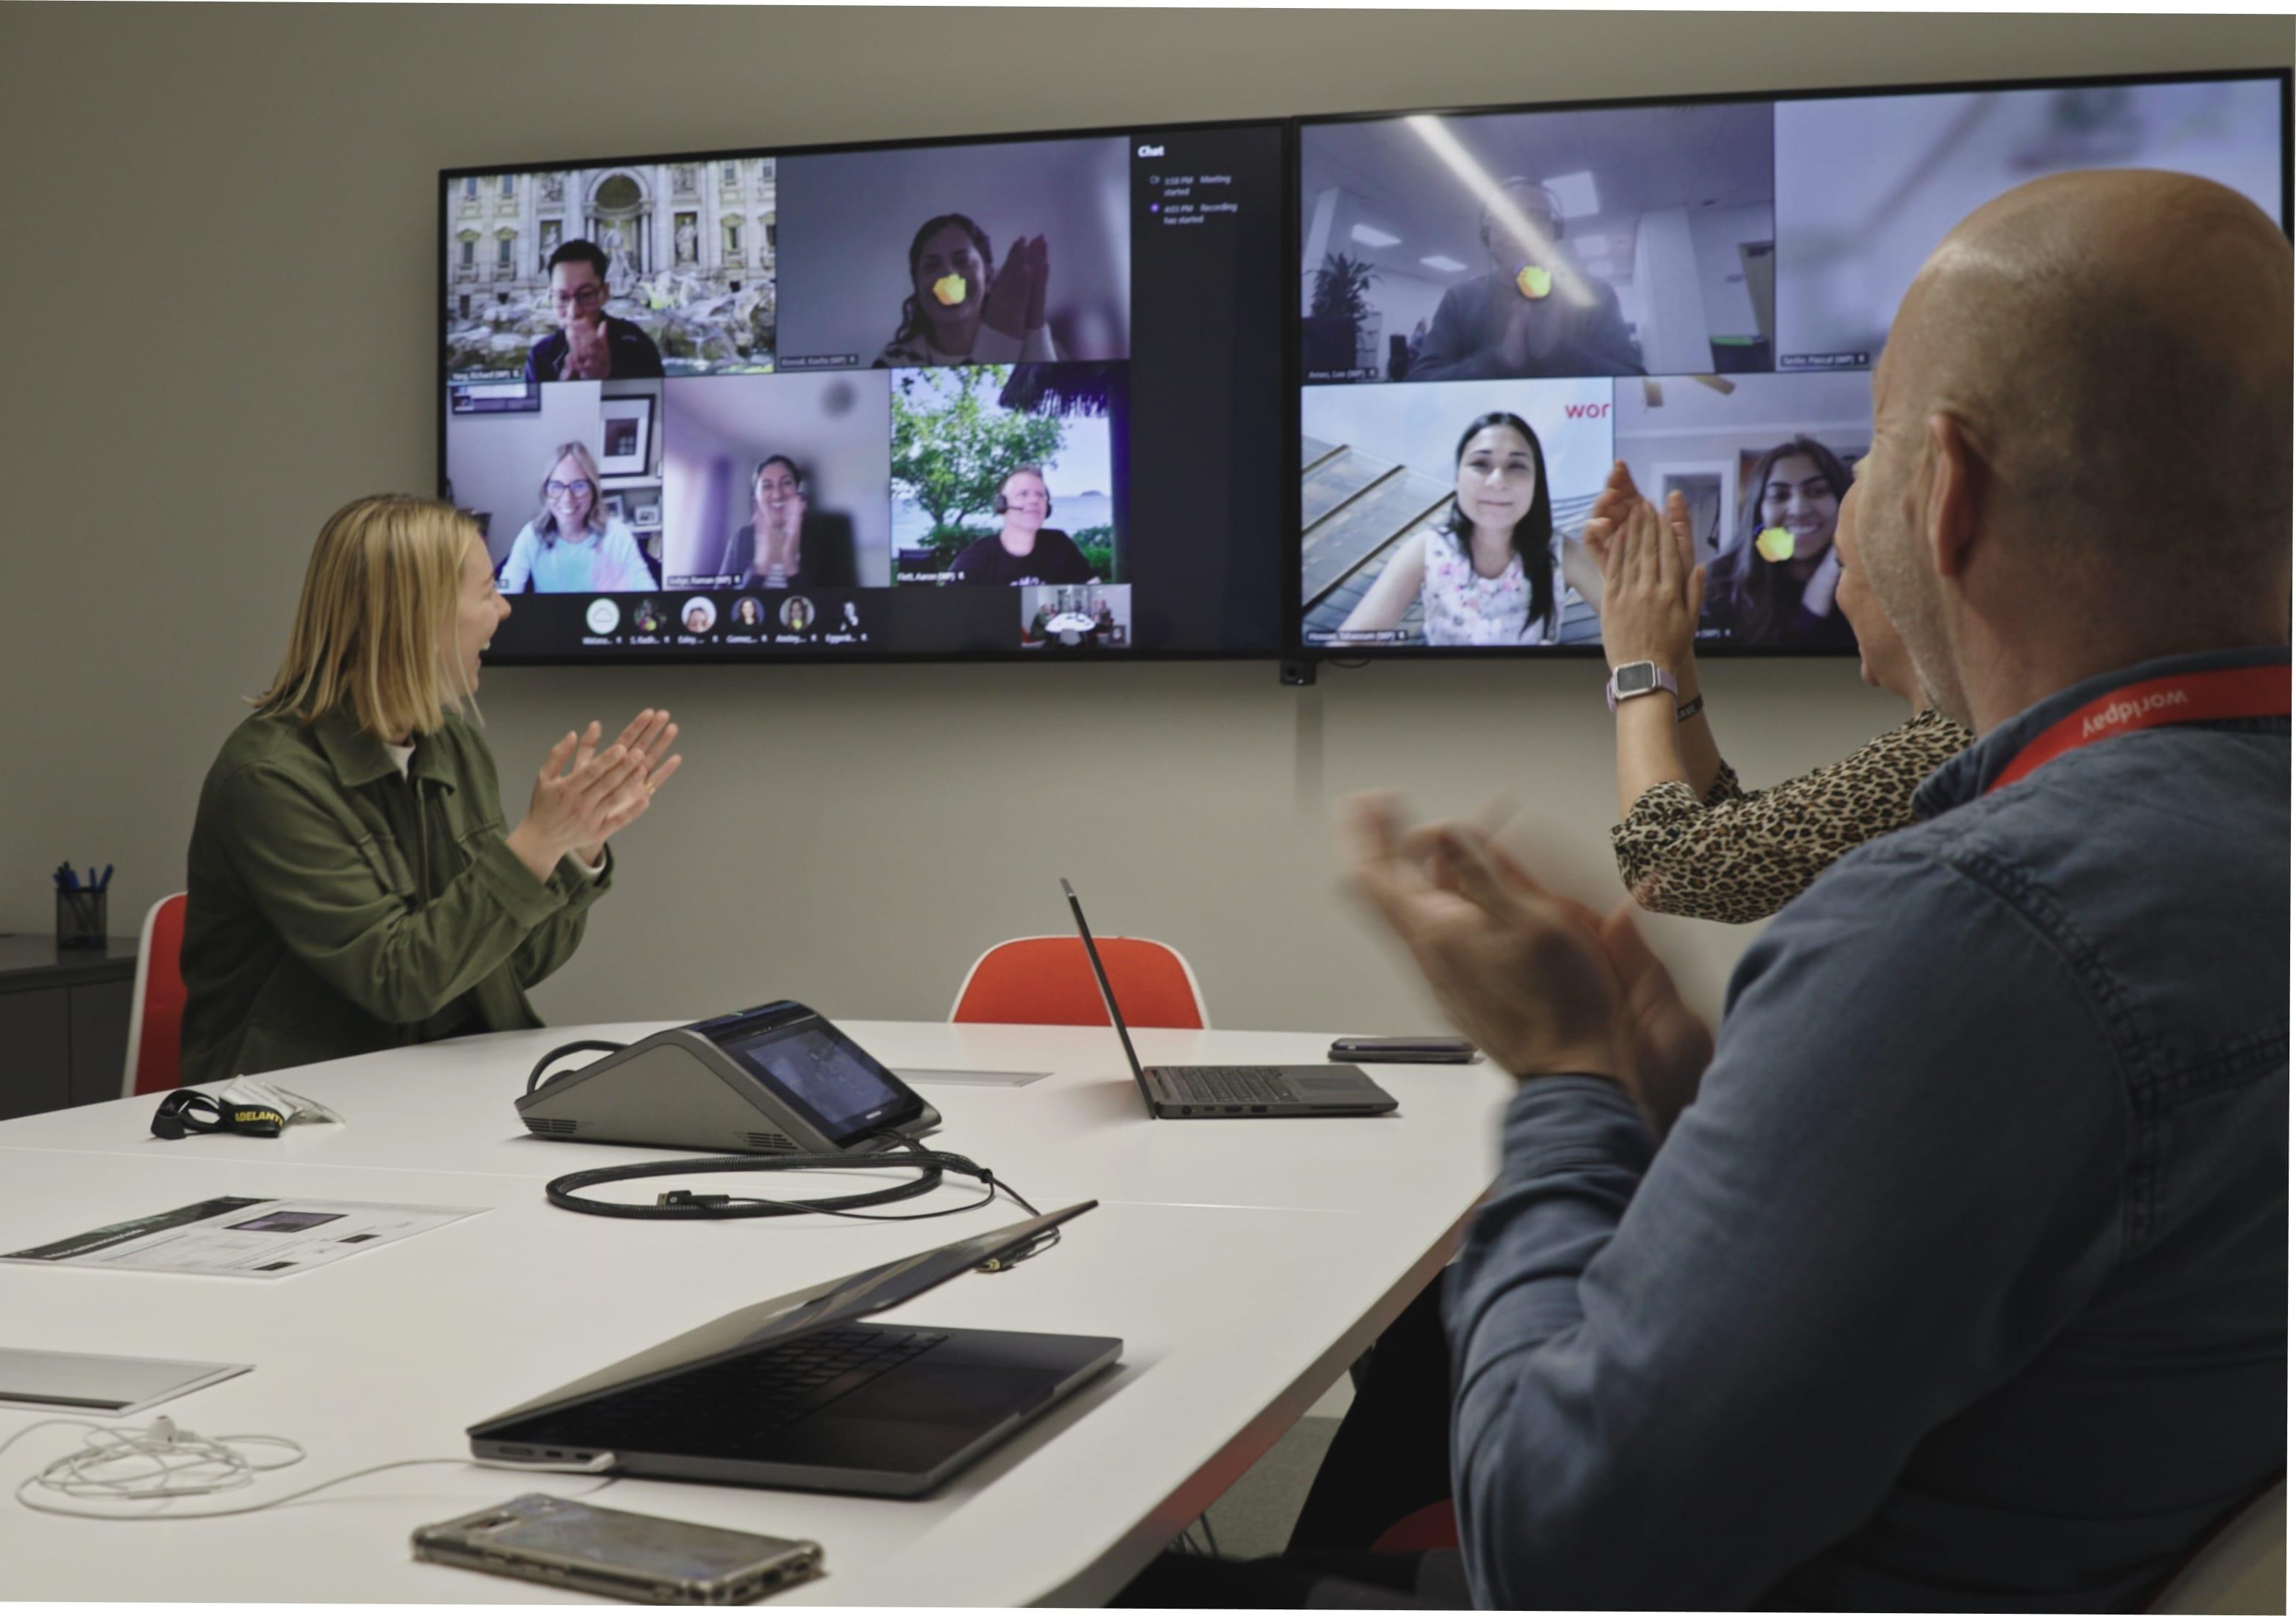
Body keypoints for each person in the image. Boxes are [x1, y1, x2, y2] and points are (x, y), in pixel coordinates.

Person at [1133, 170, 2291, 1612]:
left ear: (1946, 494)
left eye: (1868, 453)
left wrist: (1562, 1077)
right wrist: (1683, 1090)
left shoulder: (1977, 924)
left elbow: (1550, 1552)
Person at [178, 494, 683, 1086]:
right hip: (298, 1113)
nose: (504, 609)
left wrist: (573, 852)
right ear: (417, 617)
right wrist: (535, 846)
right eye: (488, 591)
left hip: (437, 1092)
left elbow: (507, 964)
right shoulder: (269, 780)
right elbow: (399, 981)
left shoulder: (452, 746)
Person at [1586, 459, 1971, 921]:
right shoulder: (1954, 738)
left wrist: (1639, 664)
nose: (1838, 592)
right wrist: (1672, 652)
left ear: (1912, 578)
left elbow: (1666, 864)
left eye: (1843, 564)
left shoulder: (1955, 747)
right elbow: (1733, 837)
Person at [1334, 411, 1602, 645]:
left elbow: (1636, 628)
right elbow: (1352, 642)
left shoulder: (1561, 552)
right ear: (1457, 478)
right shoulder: (1426, 550)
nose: (1497, 481)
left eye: (1517, 466)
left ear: (1536, 483)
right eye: (1480, 464)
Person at [1406, 178, 1644, 381]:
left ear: (1556, 230)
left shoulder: (1595, 294)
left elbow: (1635, 385)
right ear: (1486, 236)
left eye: (1536, 218)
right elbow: (1419, 383)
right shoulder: (1459, 300)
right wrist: (1501, 360)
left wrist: (1556, 350)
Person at [1700, 437, 1858, 647]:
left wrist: (1832, 567)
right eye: (1780, 495)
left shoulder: (1872, 581)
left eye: (1817, 491)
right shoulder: (1719, 586)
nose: (1799, 510)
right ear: (1759, 512)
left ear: (1841, 500)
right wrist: (1814, 601)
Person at [874, 214, 1060, 368]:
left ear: (988, 278)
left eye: (963, 262)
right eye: (931, 266)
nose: (948, 275)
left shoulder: (1032, 345)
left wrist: (1035, 318)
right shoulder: (895, 360)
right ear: (916, 283)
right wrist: (999, 343)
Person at [496, 442, 657, 594]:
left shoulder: (617, 535)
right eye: (557, 486)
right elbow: (505, 593)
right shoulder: (531, 535)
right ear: (546, 492)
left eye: (579, 486)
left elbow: (648, 594)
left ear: (593, 490)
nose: (567, 499)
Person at [524, 239, 664, 382]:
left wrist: (607, 377)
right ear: (550, 297)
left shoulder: (637, 347)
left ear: (605, 293)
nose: (573, 312)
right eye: (562, 297)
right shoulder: (539, 356)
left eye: (586, 295)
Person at [711, 454, 857, 590]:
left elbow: (838, 603)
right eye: (767, 486)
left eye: (786, 483)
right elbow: (720, 605)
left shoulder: (825, 538)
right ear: (756, 499)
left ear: (798, 493)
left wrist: (791, 564)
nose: (777, 494)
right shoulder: (741, 539)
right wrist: (760, 569)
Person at [948, 467, 1098, 587]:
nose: (1034, 500)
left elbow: (1094, 589)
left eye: (1040, 495)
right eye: (1023, 494)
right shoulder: (975, 558)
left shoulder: (1060, 544)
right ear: (1002, 505)